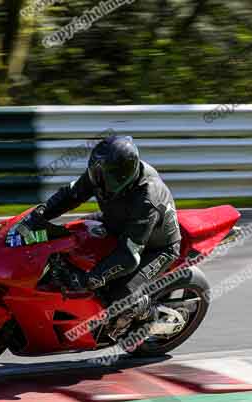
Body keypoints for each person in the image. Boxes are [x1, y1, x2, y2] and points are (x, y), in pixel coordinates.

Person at [16, 135, 182, 326]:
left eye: (109, 175)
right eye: (99, 173)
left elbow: (129, 255)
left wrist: (90, 279)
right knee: (71, 238)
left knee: (118, 296)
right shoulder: (100, 172)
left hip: (156, 246)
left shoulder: (147, 198)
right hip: (116, 222)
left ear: (125, 173)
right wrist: (41, 213)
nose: (102, 180)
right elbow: (70, 195)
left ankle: (150, 313)